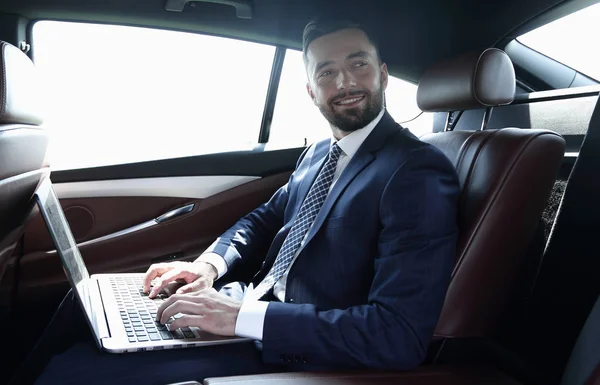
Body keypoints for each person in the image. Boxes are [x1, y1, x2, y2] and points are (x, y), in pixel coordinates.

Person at [13, 16, 460, 385]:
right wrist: (208, 266)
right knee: (86, 300)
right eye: (326, 71)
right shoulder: (321, 154)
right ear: (310, 90)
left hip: (295, 351)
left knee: (70, 374)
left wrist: (242, 318)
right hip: (246, 304)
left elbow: (396, 336)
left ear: (382, 74)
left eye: (358, 64)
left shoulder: (415, 172)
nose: (344, 81)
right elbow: (265, 219)